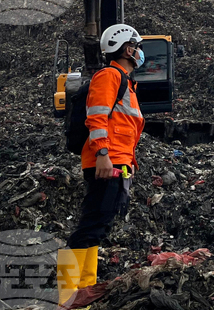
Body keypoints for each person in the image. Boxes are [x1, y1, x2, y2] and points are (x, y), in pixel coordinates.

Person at [58, 24, 146, 307]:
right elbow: (96, 117)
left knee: (97, 226)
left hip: (117, 161)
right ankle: (67, 296)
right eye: (137, 45)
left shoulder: (126, 83)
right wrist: (103, 155)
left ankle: (83, 291)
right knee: (90, 226)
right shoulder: (110, 76)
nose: (140, 51)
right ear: (127, 49)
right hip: (106, 161)